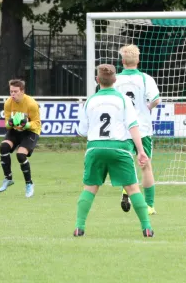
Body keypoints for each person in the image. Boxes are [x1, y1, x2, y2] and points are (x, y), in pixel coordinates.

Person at [74, 64, 154, 237]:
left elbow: (81, 131)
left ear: (97, 80)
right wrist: (141, 151)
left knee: (89, 188)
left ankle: (79, 227)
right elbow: (133, 126)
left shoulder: (90, 101)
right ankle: (146, 228)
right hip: (119, 148)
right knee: (133, 189)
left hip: (95, 148)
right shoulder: (123, 100)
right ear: (115, 80)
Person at [114, 44, 160, 215]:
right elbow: (156, 100)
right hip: (142, 129)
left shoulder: (115, 79)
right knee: (146, 166)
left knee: (126, 165)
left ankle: (126, 190)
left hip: (122, 130)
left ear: (123, 61)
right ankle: (149, 205)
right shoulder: (145, 78)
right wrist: (147, 106)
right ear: (138, 60)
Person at [0, 79, 41, 197]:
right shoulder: (8, 103)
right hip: (15, 130)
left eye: (15, 91)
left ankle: (29, 184)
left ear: (22, 91)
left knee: (21, 155)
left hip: (30, 132)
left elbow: (37, 123)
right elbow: (6, 124)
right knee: (4, 147)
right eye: (11, 91)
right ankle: (8, 178)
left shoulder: (31, 104)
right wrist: (10, 123)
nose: (12, 94)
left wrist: (26, 124)